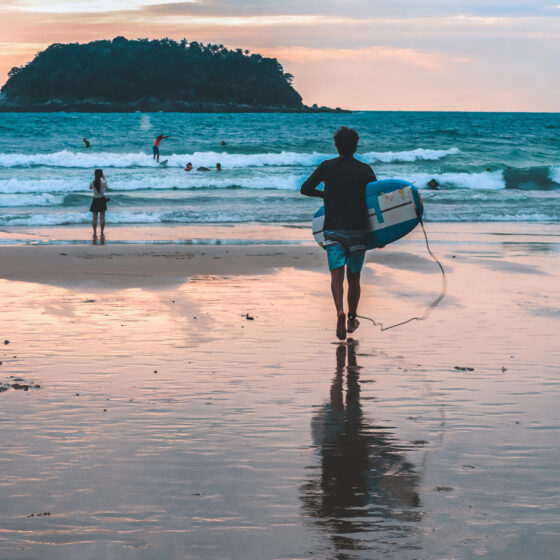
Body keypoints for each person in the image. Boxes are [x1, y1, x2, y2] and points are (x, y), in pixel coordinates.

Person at [301, 127, 376, 340]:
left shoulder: (327, 167)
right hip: (358, 231)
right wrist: (380, 237)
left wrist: (324, 194)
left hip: (333, 230)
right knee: (354, 278)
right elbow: (373, 203)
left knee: (336, 277)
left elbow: (305, 188)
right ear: (356, 146)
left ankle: (339, 312)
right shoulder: (365, 170)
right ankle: (352, 318)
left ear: (336, 146)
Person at [89, 168, 109, 241]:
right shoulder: (103, 182)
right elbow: (107, 187)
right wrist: (104, 178)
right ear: (101, 175)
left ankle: (94, 232)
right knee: (102, 218)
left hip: (95, 200)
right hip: (102, 200)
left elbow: (90, 188)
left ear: (95, 174)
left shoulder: (92, 182)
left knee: (94, 218)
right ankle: (102, 232)